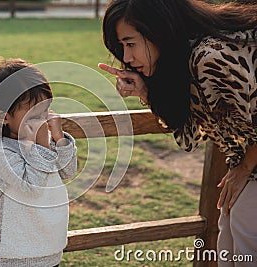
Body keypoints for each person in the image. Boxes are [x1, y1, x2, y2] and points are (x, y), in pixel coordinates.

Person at [98, 0, 257, 265]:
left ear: (159, 31)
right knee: (229, 236)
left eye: (130, 43)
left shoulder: (209, 58)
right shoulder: (191, 58)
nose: (126, 58)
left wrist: (244, 167)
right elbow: (192, 135)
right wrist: (147, 93)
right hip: (247, 166)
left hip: (249, 166)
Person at [0, 57, 77, 267]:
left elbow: (68, 172)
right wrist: (41, 146)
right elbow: (31, 188)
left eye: (45, 110)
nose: (42, 119)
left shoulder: (42, 139)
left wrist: (59, 139)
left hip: (49, 245)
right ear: (4, 116)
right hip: (14, 253)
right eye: (33, 113)